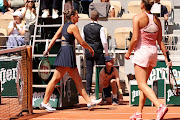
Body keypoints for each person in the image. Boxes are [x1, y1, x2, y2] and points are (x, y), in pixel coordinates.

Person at [39, 9, 102, 112]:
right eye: (77, 16)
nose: (78, 17)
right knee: (72, 80)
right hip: (67, 52)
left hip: (64, 51)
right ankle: (89, 102)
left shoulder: (63, 26)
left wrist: (47, 50)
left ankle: (89, 102)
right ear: (72, 16)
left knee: (65, 80)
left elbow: (54, 38)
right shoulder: (73, 27)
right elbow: (81, 42)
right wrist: (90, 48)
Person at [124, 0, 172, 120]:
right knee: (143, 85)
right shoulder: (157, 20)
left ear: (142, 5)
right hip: (153, 52)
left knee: (141, 84)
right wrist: (166, 58)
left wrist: (129, 52)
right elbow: (160, 41)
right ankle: (138, 113)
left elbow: (135, 38)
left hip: (142, 52)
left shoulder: (137, 18)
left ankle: (159, 106)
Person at [81, 11, 109, 96]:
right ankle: (99, 91)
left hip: (88, 51)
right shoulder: (101, 28)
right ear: (98, 18)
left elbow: (82, 41)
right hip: (98, 51)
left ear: (90, 18)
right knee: (99, 72)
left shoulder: (84, 27)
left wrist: (84, 51)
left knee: (89, 72)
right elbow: (104, 42)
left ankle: (88, 91)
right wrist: (106, 53)